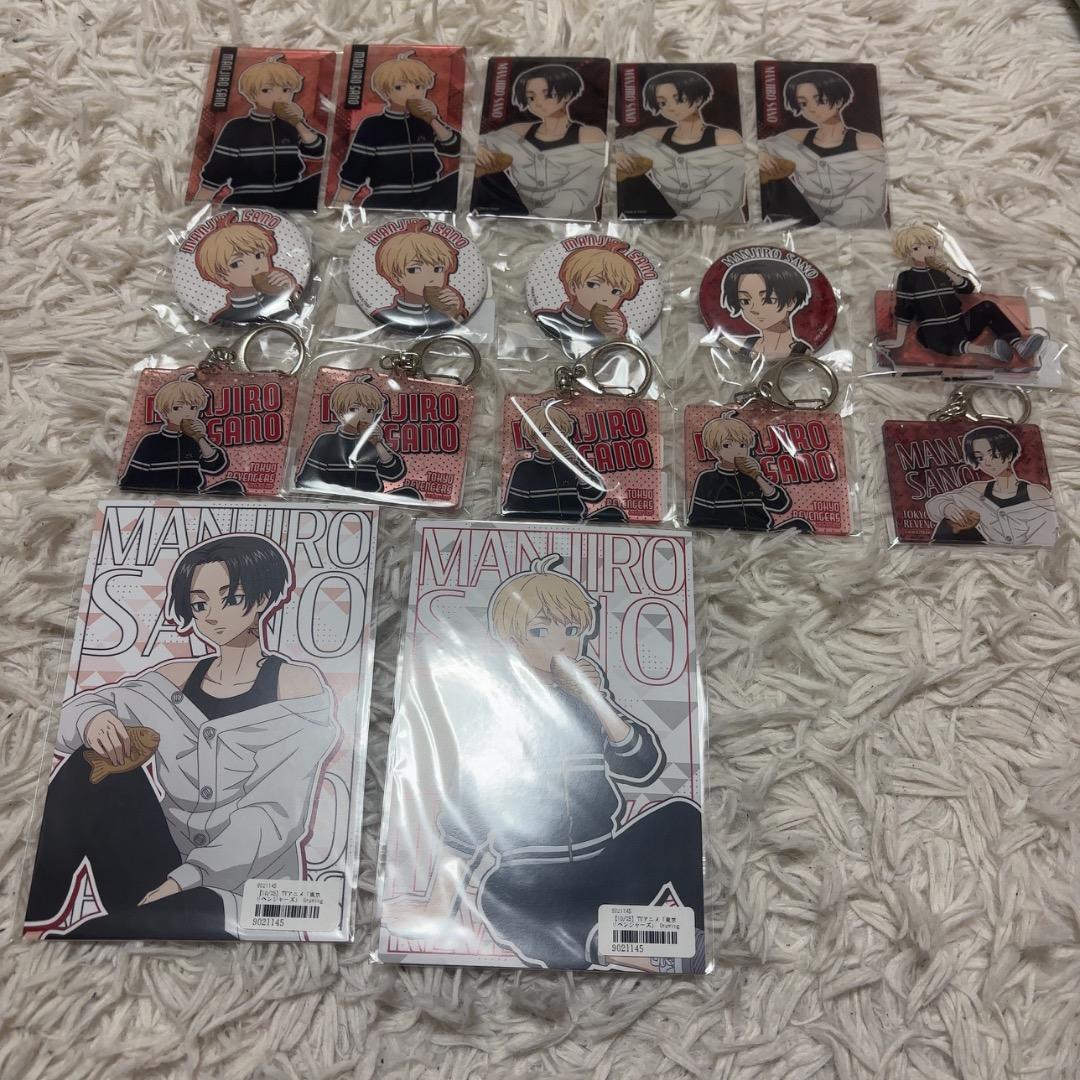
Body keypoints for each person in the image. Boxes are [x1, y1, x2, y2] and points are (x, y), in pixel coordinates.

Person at [381, 554, 705, 971]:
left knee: (680, 816)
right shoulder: (494, 713)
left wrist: (597, 701)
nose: (561, 644)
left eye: (571, 631)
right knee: (505, 901)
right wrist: (437, 906)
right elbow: (466, 825)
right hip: (533, 880)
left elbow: (643, 767)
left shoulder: (586, 706)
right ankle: (649, 958)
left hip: (605, 867)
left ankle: (693, 938)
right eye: (540, 630)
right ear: (512, 639)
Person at [24, 535, 336, 939]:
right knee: (90, 769)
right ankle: (35, 907)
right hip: (157, 870)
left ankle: (66, 940)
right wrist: (93, 718)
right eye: (200, 604)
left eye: (231, 598)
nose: (213, 616)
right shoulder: (174, 679)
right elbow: (73, 714)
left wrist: (185, 879)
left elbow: (272, 814)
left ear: (262, 599)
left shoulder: (295, 686)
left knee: (87, 937)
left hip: (238, 890)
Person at [877, 223, 1045, 366]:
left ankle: (1019, 345)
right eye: (916, 248)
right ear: (907, 253)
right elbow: (904, 310)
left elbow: (968, 288)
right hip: (934, 330)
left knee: (988, 306)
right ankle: (989, 351)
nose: (925, 251)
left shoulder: (941, 274)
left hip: (960, 324)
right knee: (936, 338)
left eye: (929, 246)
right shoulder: (907, 278)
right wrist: (899, 340)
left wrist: (947, 270)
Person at [472, 63, 607, 219]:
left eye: (548, 94)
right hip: (516, 216)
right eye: (531, 97)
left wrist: (534, 221)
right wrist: (479, 149)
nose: (538, 102)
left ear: (568, 94)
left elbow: (580, 193)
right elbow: (477, 143)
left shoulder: (589, 136)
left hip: (572, 221)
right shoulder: (518, 132)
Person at [758, 69, 887, 228]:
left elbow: (867, 201)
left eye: (819, 100)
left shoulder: (866, 143)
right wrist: (761, 155)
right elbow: (758, 147)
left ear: (839, 101)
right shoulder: (796, 138)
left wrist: (823, 230)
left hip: (859, 229)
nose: (811, 109)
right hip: (806, 224)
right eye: (803, 103)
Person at [333, 51, 462, 210]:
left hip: (429, 197)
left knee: (465, 177)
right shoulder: (372, 126)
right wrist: (339, 204)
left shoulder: (425, 122)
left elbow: (455, 148)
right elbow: (356, 168)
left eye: (419, 87)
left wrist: (433, 120)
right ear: (385, 92)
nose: (413, 93)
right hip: (387, 201)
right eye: (400, 87)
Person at [193, 55, 326, 209]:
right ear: (252, 94)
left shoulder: (289, 125)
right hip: (248, 199)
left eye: (286, 90)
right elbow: (217, 169)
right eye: (266, 90)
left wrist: (298, 122)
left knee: (320, 179)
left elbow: (318, 150)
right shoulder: (237, 128)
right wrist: (197, 207)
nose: (279, 96)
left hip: (290, 195)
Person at [615, 69, 744, 221]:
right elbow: (616, 147)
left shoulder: (725, 139)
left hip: (719, 222)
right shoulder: (654, 136)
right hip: (665, 220)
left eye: (679, 99)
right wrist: (618, 154)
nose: (670, 107)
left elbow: (725, 194)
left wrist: (683, 221)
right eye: (662, 103)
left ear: (698, 99)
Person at [926, 426, 1058, 546]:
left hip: (1023, 558)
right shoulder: (977, 490)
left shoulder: (1035, 493)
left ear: (1009, 454)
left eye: (994, 455)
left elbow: (1046, 537)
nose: (987, 462)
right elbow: (934, 504)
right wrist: (946, 507)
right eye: (980, 458)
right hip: (977, 554)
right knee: (948, 525)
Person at [297, 377, 421, 499]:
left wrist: (377, 443)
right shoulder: (326, 441)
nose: (363, 416)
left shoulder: (371, 444)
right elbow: (307, 481)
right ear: (340, 412)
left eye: (370, 410)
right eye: (354, 409)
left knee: (410, 494)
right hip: (335, 501)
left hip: (371, 501)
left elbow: (394, 473)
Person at [502, 401, 627, 522]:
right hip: (541, 526)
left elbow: (595, 495)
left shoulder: (568, 465)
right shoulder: (525, 469)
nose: (554, 438)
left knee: (615, 513)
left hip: (576, 525)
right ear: (534, 438)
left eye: (559, 432)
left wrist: (575, 467)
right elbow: (513, 508)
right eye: (545, 433)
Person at [120, 375, 244, 495]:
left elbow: (215, 466)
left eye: (193, 408)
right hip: (160, 496)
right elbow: (130, 481)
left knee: (233, 486)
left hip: (193, 497)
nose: (187, 413)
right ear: (164, 412)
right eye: (177, 408)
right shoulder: (150, 441)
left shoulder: (193, 440)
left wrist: (200, 438)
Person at [688, 414, 812, 532]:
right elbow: (698, 519)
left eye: (742, 445)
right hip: (727, 535)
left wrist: (757, 476)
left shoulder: (751, 476)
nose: (737, 451)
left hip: (761, 535)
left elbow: (780, 504)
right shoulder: (708, 479)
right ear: (716, 450)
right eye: (727, 445)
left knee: (801, 524)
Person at [191, 214, 299, 324]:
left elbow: (294, 306)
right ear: (222, 277)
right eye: (236, 264)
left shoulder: (279, 297)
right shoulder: (225, 318)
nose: (255, 266)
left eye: (259, 255)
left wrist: (289, 288)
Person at [534, 244, 641, 351]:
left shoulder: (603, 332)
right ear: (573, 287)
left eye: (616, 291)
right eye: (593, 285)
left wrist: (614, 334)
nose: (604, 297)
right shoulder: (547, 319)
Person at [370, 221, 467, 331]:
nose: (431, 278)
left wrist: (454, 312)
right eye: (415, 269)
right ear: (396, 278)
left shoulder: (443, 315)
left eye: (438, 269)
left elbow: (457, 327)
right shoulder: (383, 315)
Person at [718, 258, 812, 362]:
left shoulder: (802, 352)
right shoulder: (734, 343)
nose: (754, 308)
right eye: (745, 301)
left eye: (768, 300)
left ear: (791, 302)